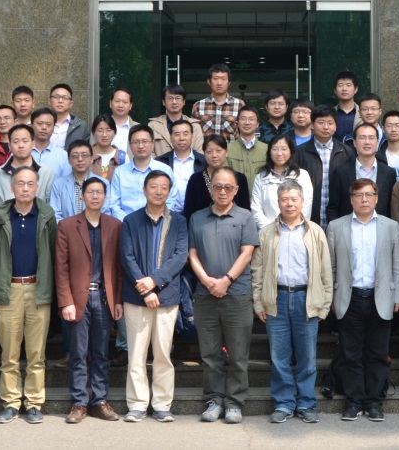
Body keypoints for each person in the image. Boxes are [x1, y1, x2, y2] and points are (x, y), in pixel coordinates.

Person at [253, 179, 332, 424]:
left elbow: (326, 271)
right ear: (278, 203)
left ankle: (306, 403)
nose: (289, 204)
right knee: (279, 357)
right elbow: (257, 271)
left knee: (307, 357)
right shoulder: (266, 233)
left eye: (294, 199)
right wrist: (259, 303)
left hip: (306, 299)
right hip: (276, 299)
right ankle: (284, 403)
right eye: (284, 199)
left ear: (302, 202)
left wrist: (324, 305)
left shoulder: (315, 232)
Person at [327, 178, 399, 422]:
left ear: (377, 198)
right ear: (351, 199)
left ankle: (374, 402)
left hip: (380, 297)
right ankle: (353, 401)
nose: (364, 200)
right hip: (349, 297)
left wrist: (398, 296)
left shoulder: (390, 227)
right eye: (358, 195)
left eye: (369, 195)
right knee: (350, 353)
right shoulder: (336, 227)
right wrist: (331, 296)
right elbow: (331, 266)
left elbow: (397, 265)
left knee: (378, 354)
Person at [188, 168, 260, 424]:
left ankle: (234, 402)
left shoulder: (245, 217)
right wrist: (207, 281)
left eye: (228, 187)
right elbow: (192, 254)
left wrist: (226, 280)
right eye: (218, 186)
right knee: (210, 354)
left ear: (236, 190)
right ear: (210, 188)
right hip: (205, 295)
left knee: (238, 354)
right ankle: (214, 399)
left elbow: (247, 253)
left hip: (237, 295)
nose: (222, 191)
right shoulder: (197, 218)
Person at [119, 170, 188, 423]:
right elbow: (127, 257)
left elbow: (180, 256)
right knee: (136, 353)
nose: (159, 191)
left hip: (167, 297)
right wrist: (146, 288)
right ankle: (137, 404)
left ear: (169, 192)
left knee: (163, 354)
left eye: (164, 187)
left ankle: (161, 404)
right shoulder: (130, 221)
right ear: (144, 190)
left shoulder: (179, 221)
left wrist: (155, 282)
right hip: (136, 296)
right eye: (153, 186)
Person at [0, 166, 57, 425]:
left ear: (37, 187)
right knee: (9, 353)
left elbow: (52, 252)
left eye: (30, 184)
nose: (25, 188)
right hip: (9, 289)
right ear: (12, 187)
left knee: (36, 353)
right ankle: (10, 402)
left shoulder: (47, 216)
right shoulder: (1, 217)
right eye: (20, 183)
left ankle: (34, 403)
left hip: (38, 289)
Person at [55, 176, 123, 424]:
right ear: (82, 196)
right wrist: (66, 301)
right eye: (91, 192)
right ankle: (79, 402)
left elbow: (119, 267)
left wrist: (118, 300)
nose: (95, 196)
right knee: (78, 353)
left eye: (99, 192)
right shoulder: (67, 226)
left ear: (105, 197)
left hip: (104, 298)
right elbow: (61, 267)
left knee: (101, 352)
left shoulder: (115, 225)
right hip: (77, 299)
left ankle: (100, 401)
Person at [0, 124, 57, 224]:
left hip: (38, 230)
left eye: (25, 141)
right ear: (9, 145)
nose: (21, 145)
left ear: (33, 144)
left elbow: (51, 208)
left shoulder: (46, 173)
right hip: (4, 229)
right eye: (16, 141)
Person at [296, 105, 355, 225]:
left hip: (339, 217)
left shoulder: (346, 152)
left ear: (336, 126)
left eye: (330, 123)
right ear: (312, 125)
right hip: (308, 216)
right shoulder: (300, 152)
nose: (326, 127)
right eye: (321, 122)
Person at [107, 125, 181, 221]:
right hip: (126, 224)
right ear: (130, 145)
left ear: (152, 143)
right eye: (136, 142)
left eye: (145, 141)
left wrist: (156, 221)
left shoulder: (165, 170)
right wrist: (129, 222)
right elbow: (114, 204)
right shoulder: (120, 172)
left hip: (158, 224)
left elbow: (171, 201)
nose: (140, 146)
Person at [326, 124, 395, 221]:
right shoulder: (341, 172)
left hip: (379, 227)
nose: (367, 142)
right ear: (354, 143)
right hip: (347, 227)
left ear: (377, 143)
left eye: (371, 138)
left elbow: (391, 208)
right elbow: (333, 208)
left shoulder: (389, 173)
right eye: (362, 138)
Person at [251, 134, 314, 229]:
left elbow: (306, 206)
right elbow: (256, 209)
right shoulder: (260, 178)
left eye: (284, 149)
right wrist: (271, 230)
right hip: (268, 232)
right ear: (269, 152)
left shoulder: (302, 176)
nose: (279, 153)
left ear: (291, 152)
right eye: (275, 149)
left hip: (297, 230)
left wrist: (293, 228)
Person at [183, 135, 252, 221]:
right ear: (204, 154)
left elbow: (245, 210)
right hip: (202, 227)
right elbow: (189, 212)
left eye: (218, 150)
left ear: (226, 152)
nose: (214, 155)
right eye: (209, 151)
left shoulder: (239, 178)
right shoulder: (196, 179)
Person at [50, 140, 113, 222]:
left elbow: (104, 212)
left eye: (85, 155)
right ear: (69, 160)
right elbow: (55, 214)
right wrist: (68, 228)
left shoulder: (103, 183)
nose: (80, 159)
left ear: (91, 159)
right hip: (66, 229)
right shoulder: (58, 184)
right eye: (75, 156)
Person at [156, 119, 206, 213]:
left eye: (185, 134)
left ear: (192, 137)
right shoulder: (160, 162)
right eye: (177, 134)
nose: (181, 138)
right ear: (171, 138)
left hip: (197, 214)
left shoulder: (204, 162)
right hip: (168, 213)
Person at [192, 64, 245, 142]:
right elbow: (194, 135)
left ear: (229, 82)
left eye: (223, 79)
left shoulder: (239, 105)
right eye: (216, 78)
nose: (219, 83)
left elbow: (245, 133)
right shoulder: (198, 106)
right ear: (209, 81)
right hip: (205, 150)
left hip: (231, 150)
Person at [148, 85, 204, 157]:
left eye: (178, 98)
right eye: (170, 98)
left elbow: (199, 154)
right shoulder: (153, 126)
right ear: (163, 102)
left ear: (184, 101)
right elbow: (149, 152)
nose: (174, 102)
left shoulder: (195, 126)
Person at [227, 106, 268, 187]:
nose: (247, 122)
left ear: (257, 124)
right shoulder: (227, 149)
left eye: (251, 119)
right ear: (237, 123)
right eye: (243, 119)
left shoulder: (267, 149)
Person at [29, 108, 69, 181]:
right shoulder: (21, 152)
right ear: (31, 126)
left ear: (53, 128)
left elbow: (66, 183)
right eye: (39, 123)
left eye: (48, 124)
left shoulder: (63, 156)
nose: (44, 127)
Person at [48, 83, 91, 149]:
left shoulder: (81, 126)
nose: (60, 101)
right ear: (49, 101)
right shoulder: (39, 124)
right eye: (56, 96)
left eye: (65, 97)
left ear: (71, 104)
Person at [90, 114, 125, 182]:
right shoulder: (86, 155)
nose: (104, 135)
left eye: (108, 130)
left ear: (114, 132)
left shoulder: (122, 157)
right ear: (93, 132)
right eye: (100, 131)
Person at [377, 111, 399, 179]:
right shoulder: (378, 157)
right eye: (389, 126)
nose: (393, 129)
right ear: (383, 129)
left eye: (397, 126)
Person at [332, 70, 362, 142]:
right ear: (335, 90)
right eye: (340, 85)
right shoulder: (330, 113)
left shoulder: (363, 113)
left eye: (348, 85)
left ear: (356, 89)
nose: (344, 89)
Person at [108, 88, 137, 155]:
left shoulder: (138, 128)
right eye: (117, 101)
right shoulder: (99, 127)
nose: (120, 105)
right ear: (110, 103)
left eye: (125, 102)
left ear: (130, 106)